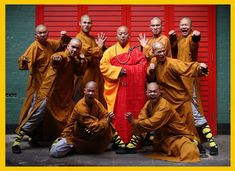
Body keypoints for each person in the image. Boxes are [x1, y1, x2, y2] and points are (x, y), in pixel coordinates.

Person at [12, 38, 86, 154]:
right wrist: (56, 59)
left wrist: (82, 61)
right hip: (48, 94)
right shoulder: (62, 56)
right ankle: (17, 141)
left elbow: (79, 72)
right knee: (36, 115)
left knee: (67, 119)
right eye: (73, 47)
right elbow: (56, 59)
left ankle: (60, 142)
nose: (74, 50)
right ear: (67, 47)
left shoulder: (74, 60)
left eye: (77, 48)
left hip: (63, 97)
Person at [168, 17, 218, 155]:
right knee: (185, 112)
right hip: (179, 81)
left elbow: (194, 46)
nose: (183, 27)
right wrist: (171, 38)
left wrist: (197, 37)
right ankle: (194, 140)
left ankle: (212, 143)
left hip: (190, 81)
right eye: (181, 25)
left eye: (186, 25)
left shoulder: (190, 38)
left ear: (190, 27)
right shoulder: (179, 39)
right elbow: (173, 50)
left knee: (194, 110)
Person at [148, 41, 209, 149]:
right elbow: (151, 78)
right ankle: (174, 145)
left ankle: (196, 145)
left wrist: (199, 67)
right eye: (159, 52)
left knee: (188, 126)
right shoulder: (154, 61)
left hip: (180, 100)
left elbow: (186, 67)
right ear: (154, 53)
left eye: (163, 51)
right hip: (167, 101)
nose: (162, 54)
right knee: (170, 126)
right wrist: (151, 71)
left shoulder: (172, 63)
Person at [100, 26, 148, 153]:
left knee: (133, 113)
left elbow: (143, 65)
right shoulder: (109, 51)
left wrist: (129, 70)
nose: (122, 36)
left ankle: (133, 141)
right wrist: (119, 70)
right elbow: (103, 66)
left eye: (125, 34)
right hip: (116, 90)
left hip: (133, 91)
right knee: (117, 115)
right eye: (120, 33)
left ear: (129, 36)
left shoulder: (136, 52)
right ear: (116, 36)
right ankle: (118, 141)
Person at [125, 82, 200, 162]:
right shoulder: (148, 104)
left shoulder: (164, 106)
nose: (152, 94)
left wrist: (134, 122)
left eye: (155, 91)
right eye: (150, 91)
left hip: (176, 135)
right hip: (163, 137)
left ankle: (193, 142)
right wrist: (135, 122)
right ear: (146, 93)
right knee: (159, 147)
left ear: (159, 93)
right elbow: (142, 118)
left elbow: (153, 123)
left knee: (189, 151)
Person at [49, 81, 113, 158]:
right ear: (84, 91)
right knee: (55, 152)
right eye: (88, 91)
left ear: (96, 92)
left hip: (89, 134)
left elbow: (105, 115)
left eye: (93, 91)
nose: (90, 93)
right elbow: (96, 126)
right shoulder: (80, 107)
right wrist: (105, 121)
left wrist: (101, 122)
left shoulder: (96, 103)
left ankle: (81, 147)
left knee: (107, 128)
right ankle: (69, 145)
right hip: (75, 136)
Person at [75, 14, 107, 108]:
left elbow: (101, 54)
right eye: (84, 22)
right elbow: (89, 52)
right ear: (80, 23)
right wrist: (99, 47)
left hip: (96, 73)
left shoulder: (92, 38)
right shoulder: (78, 38)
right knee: (87, 98)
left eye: (89, 23)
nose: (87, 25)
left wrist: (102, 47)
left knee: (99, 97)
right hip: (86, 73)